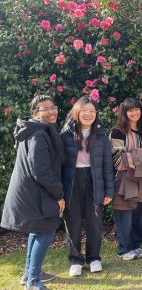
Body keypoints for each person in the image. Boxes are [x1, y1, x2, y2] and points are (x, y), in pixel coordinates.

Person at [1, 95, 65, 290]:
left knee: (38, 231)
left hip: (32, 191)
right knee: (46, 231)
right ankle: (33, 281)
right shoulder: (38, 134)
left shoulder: (37, 129)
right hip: (36, 193)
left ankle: (30, 273)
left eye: (53, 107)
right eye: (45, 109)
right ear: (35, 113)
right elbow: (41, 171)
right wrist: (59, 195)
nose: (51, 111)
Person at [61, 96, 114, 276]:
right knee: (73, 222)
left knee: (94, 223)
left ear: (96, 114)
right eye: (84, 110)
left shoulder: (101, 135)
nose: (88, 114)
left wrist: (109, 191)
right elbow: (59, 166)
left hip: (94, 180)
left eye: (92, 111)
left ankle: (94, 258)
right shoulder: (65, 134)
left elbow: (108, 165)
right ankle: (75, 260)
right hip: (72, 182)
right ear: (77, 111)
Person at [110, 98, 142, 260]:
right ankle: (124, 248)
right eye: (130, 110)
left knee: (139, 215)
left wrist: (135, 157)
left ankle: (135, 245)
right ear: (124, 113)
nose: (134, 113)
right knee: (124, 214)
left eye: (137, 109)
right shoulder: (117, 132)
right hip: (124, 180)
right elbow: (118, 160)